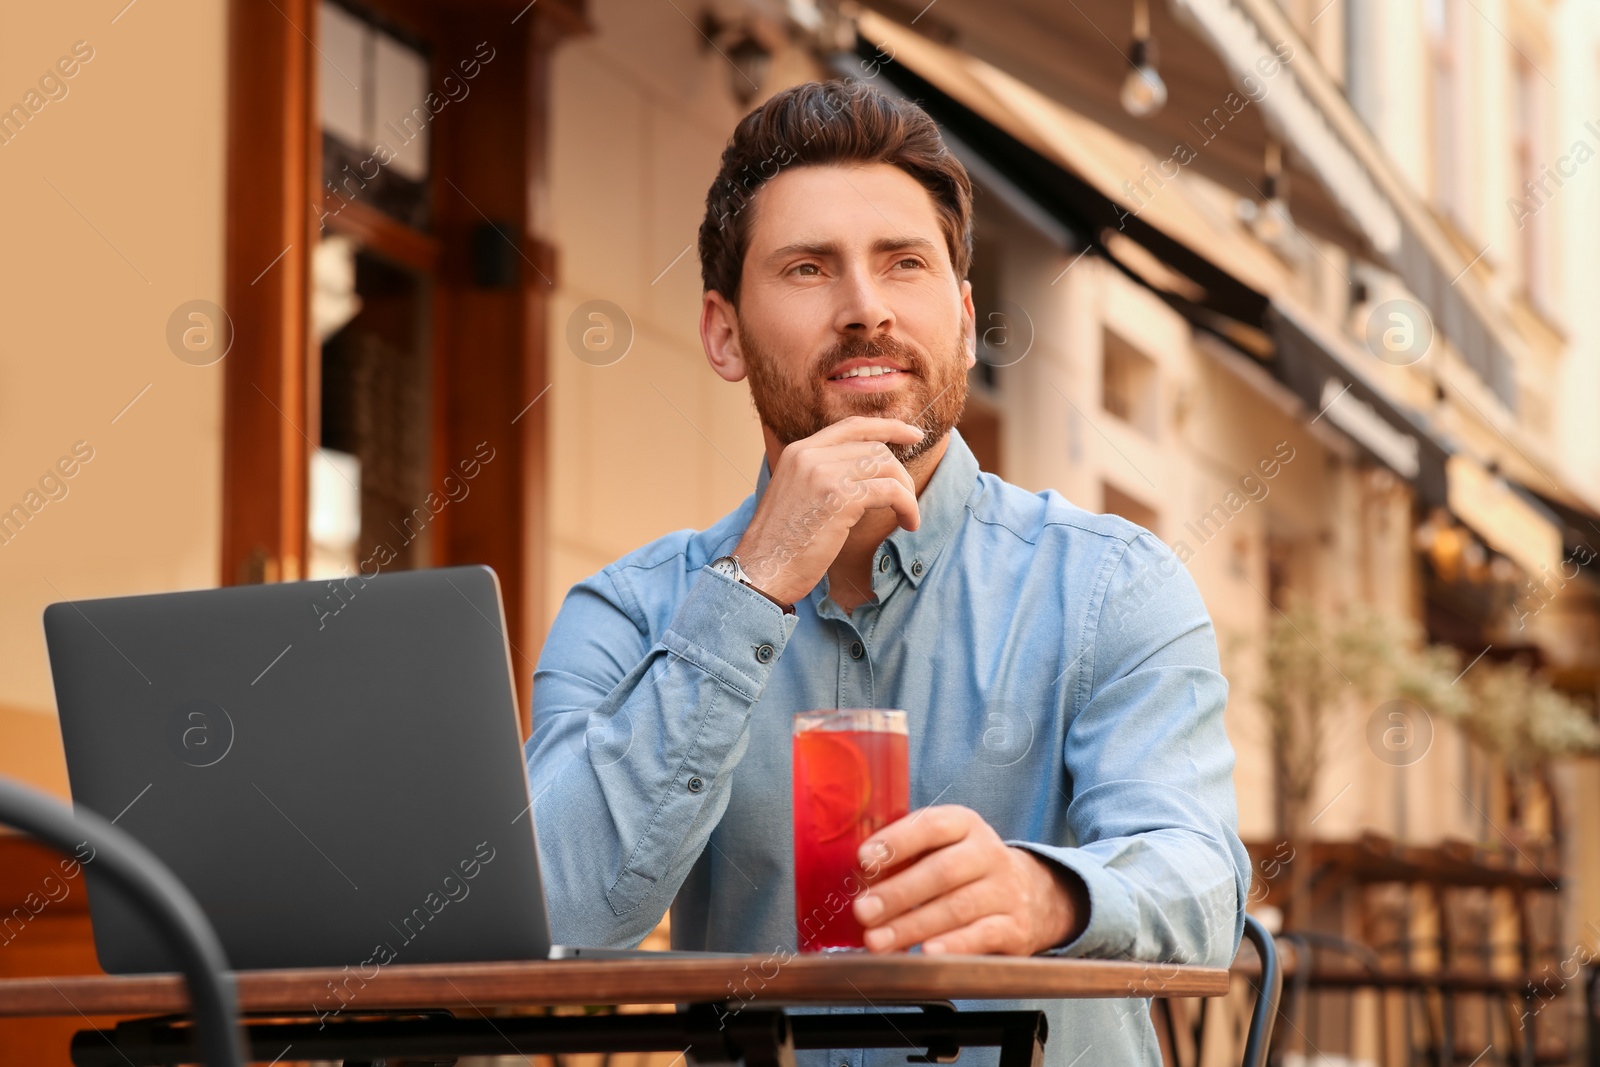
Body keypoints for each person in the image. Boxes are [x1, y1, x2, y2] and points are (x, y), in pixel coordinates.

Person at [528, 78, 1250, 1065]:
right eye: (807, 268)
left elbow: (1202, 881)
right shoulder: (627, 608)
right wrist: (753, 586)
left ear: (960, 313)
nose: (865, 308)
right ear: (723, 330)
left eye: (902, 264)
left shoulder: (1112, 584)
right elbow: (562, 908)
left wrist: (1045, 893)